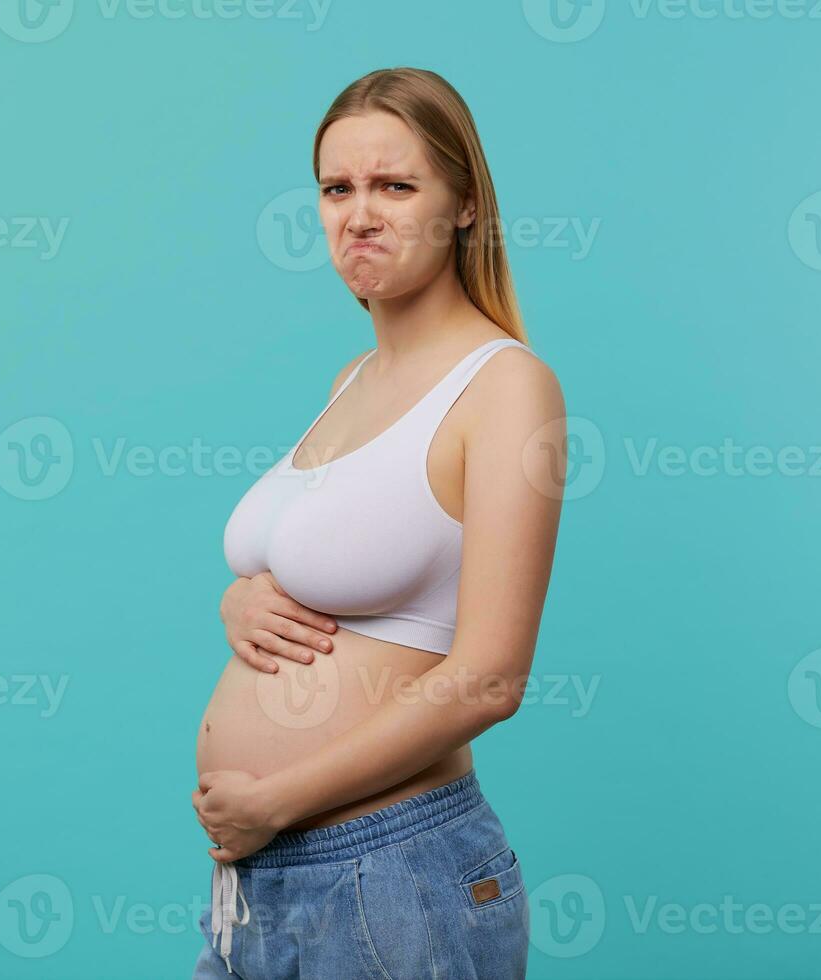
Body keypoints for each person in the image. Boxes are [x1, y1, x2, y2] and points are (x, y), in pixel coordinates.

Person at [191, 66, 566, 980]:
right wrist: (241, 602)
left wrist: (275, 798)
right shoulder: (349, 383)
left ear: (466, 203)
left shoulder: (507, 389)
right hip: (263, 883)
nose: (359, 214)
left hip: (389, 878)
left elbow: (489, 680)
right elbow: (335, 567)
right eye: (336, 189)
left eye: (396, 186)